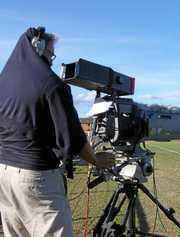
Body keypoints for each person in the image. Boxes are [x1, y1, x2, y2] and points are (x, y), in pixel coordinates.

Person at [0, 27, 115, 237]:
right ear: (38, 47)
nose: (52, 60)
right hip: (36, 177)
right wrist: (96, 160)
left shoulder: (3, 82)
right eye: (51, 53)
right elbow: (73, 137)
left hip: (4, 174)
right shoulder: (51, 84)